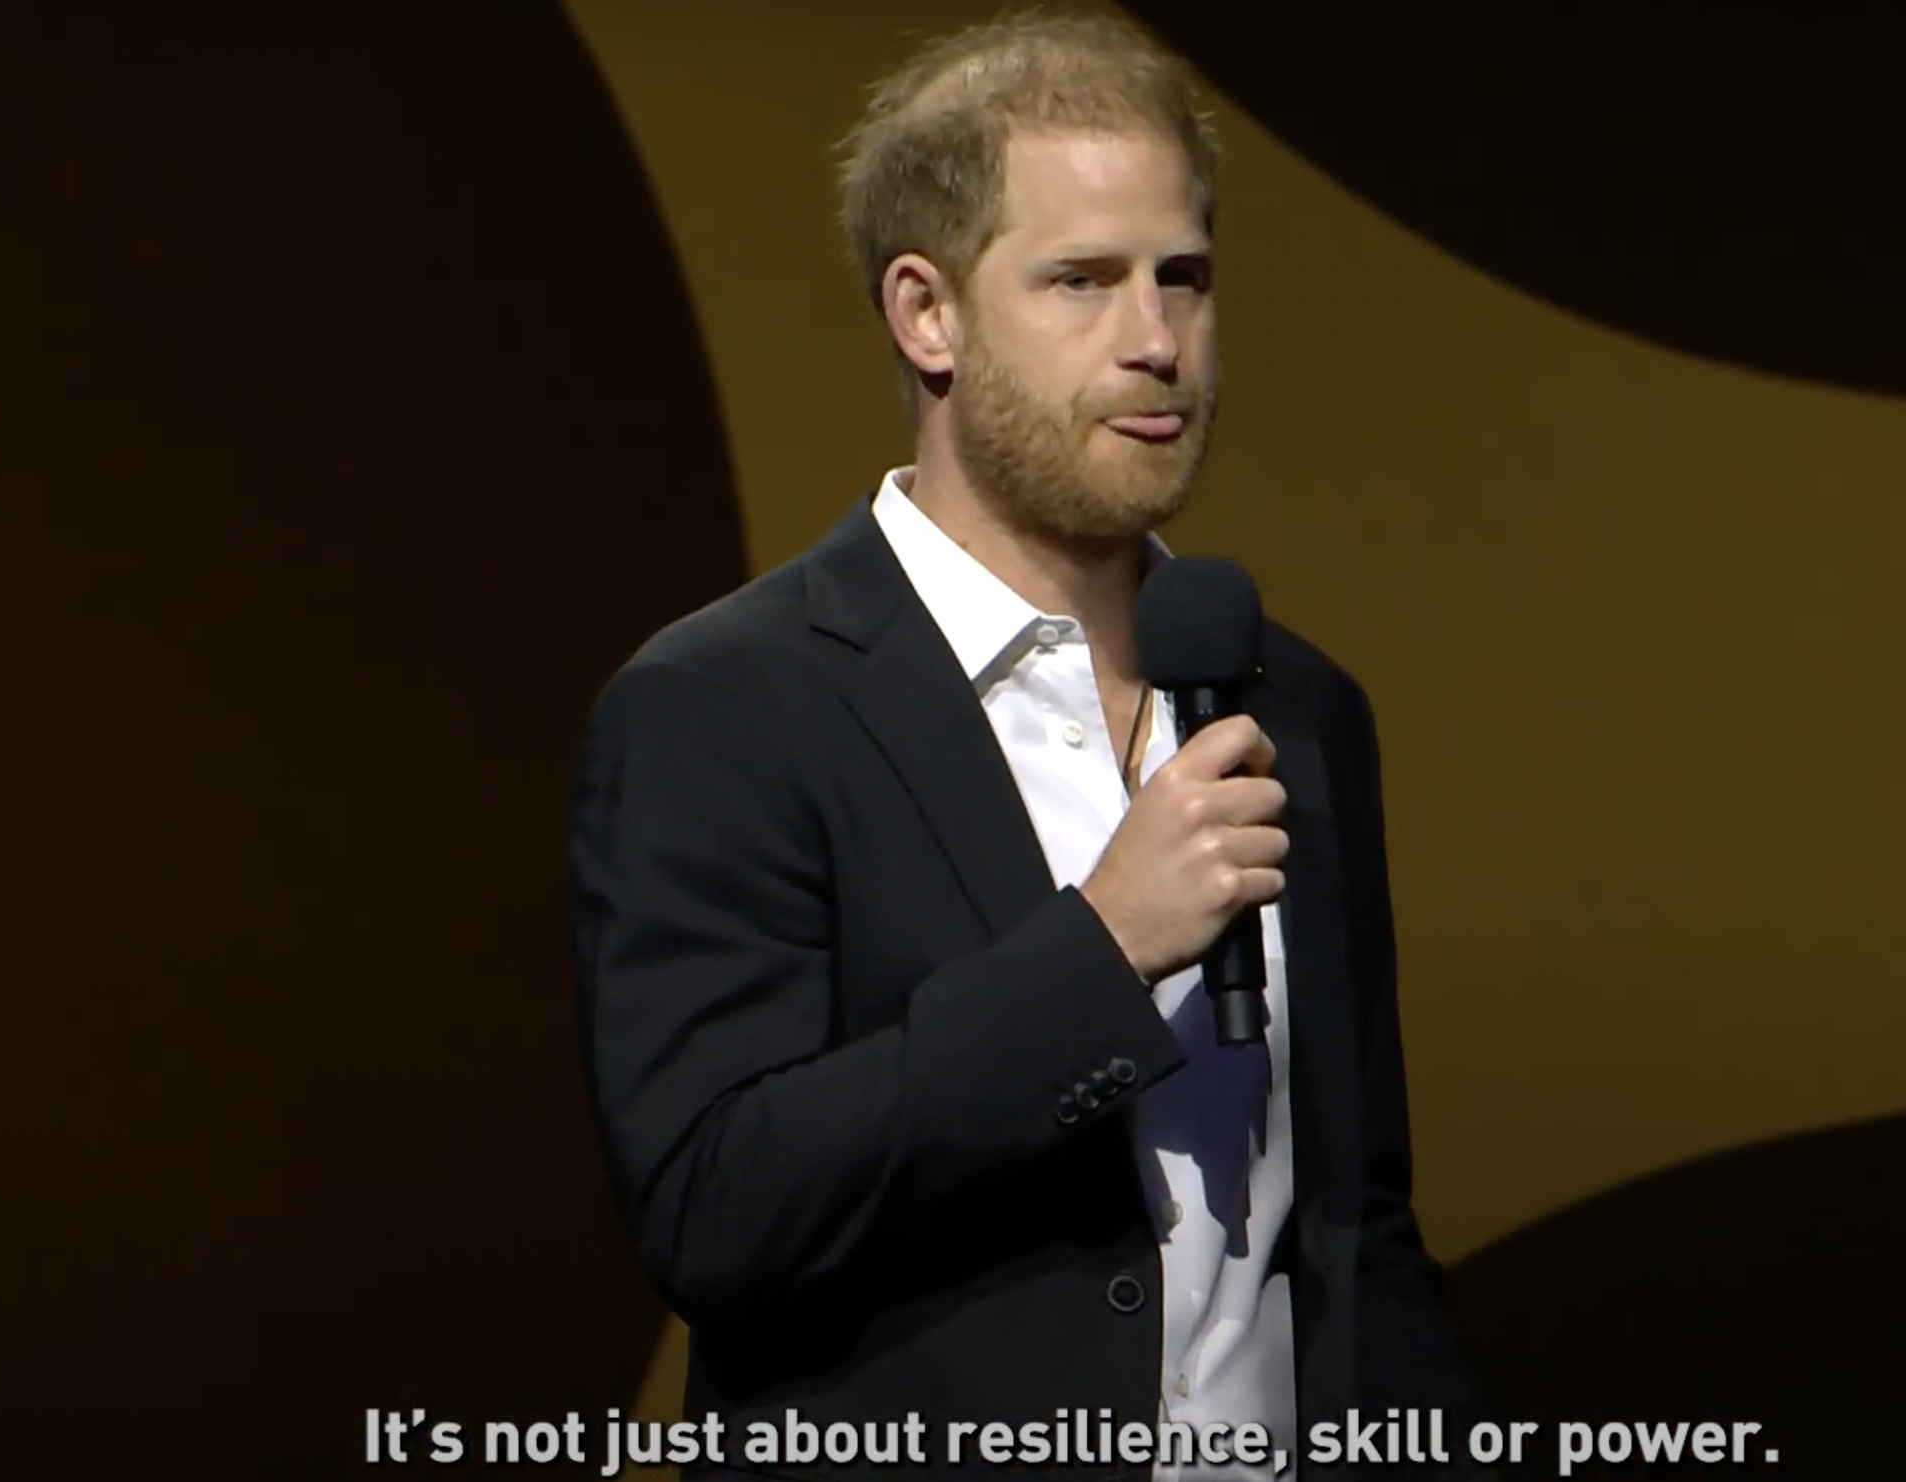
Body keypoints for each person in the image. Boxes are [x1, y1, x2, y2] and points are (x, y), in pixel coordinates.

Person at [570, 10, 1483, 1478]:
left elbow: (1354, 1221)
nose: (1153, 341)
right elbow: (714, 1207)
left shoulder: (1294, 706)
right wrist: (1103, 948)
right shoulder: (724, 705)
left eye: (1182, 278)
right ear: (924, 313)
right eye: (1081, 280)